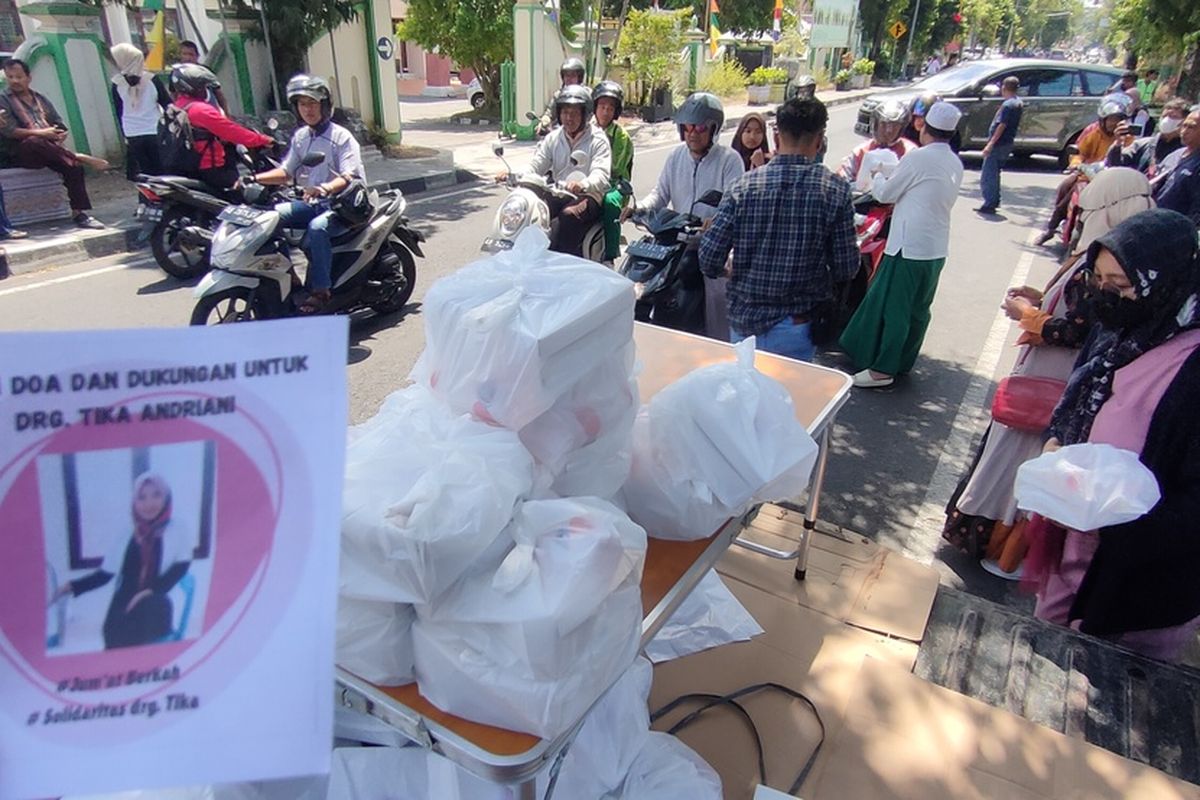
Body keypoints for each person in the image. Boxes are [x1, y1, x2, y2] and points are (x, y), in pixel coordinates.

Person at [943, 168, 1154, 571]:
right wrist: (1042, 299)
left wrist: (1029, 315)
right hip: (1051, 373)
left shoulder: (1110, 265)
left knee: (1023, 467)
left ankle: (1005, 554)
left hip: (1055, 379)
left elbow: (1077, 329)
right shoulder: (1115, 257)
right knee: (1018, 462)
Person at [1025, 209, 1200, 664]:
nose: (1107, 297)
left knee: (1107, 682)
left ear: (1167, 282)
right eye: (1100, 281)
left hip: (1140, 582)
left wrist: (1118, 518)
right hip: (1076, 544)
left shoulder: (1193, 364)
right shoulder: (1122, 327)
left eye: (1121, 287)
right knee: (1046, 658)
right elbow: (1081, 398)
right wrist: (1058, 443)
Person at [698, 97, 858, 363]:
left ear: (775, 136)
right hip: (797, 327)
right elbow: (846, 267)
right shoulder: (835, 191)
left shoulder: (742, 187)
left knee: (745, 399)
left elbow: (709, 258)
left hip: (744, 326)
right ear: (819, 140)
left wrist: (730, 270)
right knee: (788, 401)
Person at [839, 102, 965, 388]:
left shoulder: (917, 157)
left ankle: (882, 368)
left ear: (921, 127)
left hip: (908, 246)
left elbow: (885, 193)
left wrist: (879, 174)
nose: (889, 130)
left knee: (895, 308)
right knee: (919, 309)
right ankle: (902, 361)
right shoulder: (953, 161)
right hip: (934, 246)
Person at [622, 92, 744, 339]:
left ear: (713, 129)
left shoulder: (729, 160)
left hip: (711, 242)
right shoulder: (676, 156)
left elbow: (734, 202)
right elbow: (660, 192)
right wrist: (639, 209)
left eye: (699, 127)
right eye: (687, 127)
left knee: (716, 287)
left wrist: (716, 220)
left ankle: (719, 341)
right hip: (674, 238)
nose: (692, 133)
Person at [251, 74, 365, 313]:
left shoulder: (341, 137)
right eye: (303, 104)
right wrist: (252, 180)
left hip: (344, 204)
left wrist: (323, 188)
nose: (308, 109)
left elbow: (348, 176)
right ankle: (290, 276)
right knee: (270, 217)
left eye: (312, 103)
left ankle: (321, 291)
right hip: (314, 201)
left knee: (317, 228)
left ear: (324, 105)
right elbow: (286, 172)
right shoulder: (302, 137)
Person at [51, 473, 193, 650]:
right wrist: (72, 586)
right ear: (134, 502)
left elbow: (181, 566)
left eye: (156, 495)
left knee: (138, 635)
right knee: (114, 635)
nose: (149, 503)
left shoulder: (178, 529)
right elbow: (105, 575)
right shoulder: (126, 533)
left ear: (167, 497)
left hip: (156, 602)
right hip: (124, 602)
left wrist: (149, 592)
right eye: (142, 497)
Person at [501, 84, 610, 258]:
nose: (569, 118)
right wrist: (513, 175)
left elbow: (601, 174)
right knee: (533, 210)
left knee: (568, 216)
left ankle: (565, 263)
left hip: (589, 195)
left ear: (586, 114)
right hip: (559, 192)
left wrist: (583, 184)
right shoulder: (554, 137)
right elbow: (536, 165)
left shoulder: (598, 140)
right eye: (565, 112)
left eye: (574, 113)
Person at [0, 58, 108, 229]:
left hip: (50, 149)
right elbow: (9, 131)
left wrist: (57, 134)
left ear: (28, 77)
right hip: (21, 152)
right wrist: (41, 133)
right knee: (34, 141)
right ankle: (78, 155)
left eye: (19, 77)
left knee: (73, 166)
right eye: (10, 77)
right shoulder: (4, 99)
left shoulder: (40, 99)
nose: (14, 81)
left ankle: (79, 213)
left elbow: (58, 124)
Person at [1036, 95, 1129, 245]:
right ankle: (1051, 229)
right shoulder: (1093, 132)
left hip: (1114, 180)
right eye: (1111, 119)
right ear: (1103, 120)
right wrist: (1076, 164)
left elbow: (1131, 156)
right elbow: (1079, 152)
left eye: (1118, 119)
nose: (1114, 123)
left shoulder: (1127, 136)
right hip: (1088, 175)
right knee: (1065, 190)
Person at [169, 63, 273, 191]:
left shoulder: (177, 106)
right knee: (245, 193)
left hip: (187, 167)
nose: (206, 90)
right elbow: (231, 131)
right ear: (193, 87)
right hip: (211, 169)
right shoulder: (200, 110)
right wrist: (264, 140)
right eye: (203, 86)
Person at [110, 43, 170, 182]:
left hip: (132, 133)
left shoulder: (117, 84)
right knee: (161, 172)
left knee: (143, 174)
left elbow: (119, 111)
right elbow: (166, 103)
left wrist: (125, 134)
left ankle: (147, 200)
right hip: (154, 130)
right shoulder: (152, 79)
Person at [593, 80, 632, 264]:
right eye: (602, 106)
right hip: (589, 179)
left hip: (615, 184)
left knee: (609, 202)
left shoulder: (621, 136)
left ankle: (610, 253)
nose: (605, 111)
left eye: (610, 108)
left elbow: (614, 167)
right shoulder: (587, 129)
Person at [1105, 96, 1189, 177]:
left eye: (1173, 117)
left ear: (1184, 122)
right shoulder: (1143, 145)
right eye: (1164, 116)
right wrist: (1118, 143)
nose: (1167, 120)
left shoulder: (1187, 150)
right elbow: (1115, 166)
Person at [840, 99, 917, 184]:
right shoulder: (860, 152)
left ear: (902, 127)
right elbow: (842, 178)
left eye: (895, 125)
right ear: (875, 125)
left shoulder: (911, 152)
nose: (889, 130)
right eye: (883, 124)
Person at [976, 76, 1023, 214]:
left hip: (999, 144)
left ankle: (990, 203)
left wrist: (990, 144)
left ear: (1004, 87)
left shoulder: (1008, 105)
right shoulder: (1017, 102)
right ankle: (993, 200)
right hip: (1007, 142)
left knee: (989, 174)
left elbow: (1002, 125)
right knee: (995, 173)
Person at [1149, 107, 1200, 224]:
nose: (1184, 131)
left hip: (1177, 228)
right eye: (1184, 125)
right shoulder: (1174, 155)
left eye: (1191, 127)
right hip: (1154, 221)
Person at [177, 39, 230, 116]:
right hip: (189, 114)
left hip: (209, 111)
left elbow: (219, 94)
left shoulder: (205, 72)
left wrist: (226, 113)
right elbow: (174, 95)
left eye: (191, 54)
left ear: (197, 56)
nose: (188, 58)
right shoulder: (176, 74)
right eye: (184, 54)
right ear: (180, 55)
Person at [536, 58, 586, 137]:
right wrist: (545, 119)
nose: (569, 79)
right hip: (562, 133)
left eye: (573, 75)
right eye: (567, 75)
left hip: (583, 132)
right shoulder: (559, 95)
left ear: (579, 77)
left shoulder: (586, 94)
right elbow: (550, 112)